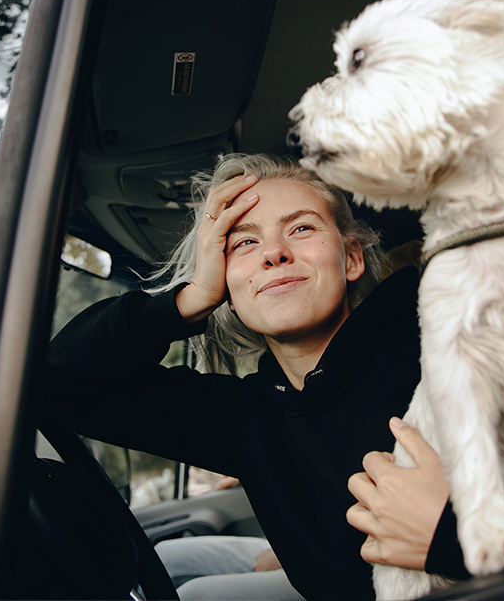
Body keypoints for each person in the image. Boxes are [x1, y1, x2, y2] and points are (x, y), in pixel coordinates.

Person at [45, 153, 471, 600]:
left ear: (350, 259)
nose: (274, 252)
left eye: (301, 228)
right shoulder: (242, 416)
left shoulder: (440, 350)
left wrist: (449, 537)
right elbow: (60, 382)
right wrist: (189, 299)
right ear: (226, 285)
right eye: (243, 244)